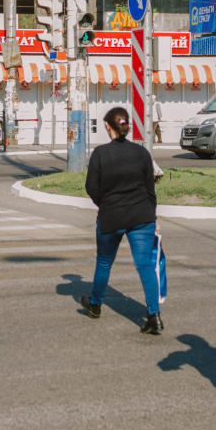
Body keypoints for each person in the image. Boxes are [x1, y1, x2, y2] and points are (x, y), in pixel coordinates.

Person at [82, 107, 162, 335]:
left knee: (104, 262)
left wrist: (105, 204)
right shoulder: (142, 153)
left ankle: (95, 305)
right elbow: (150, 189)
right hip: (142, 216)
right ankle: (154, 317)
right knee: (145, 265)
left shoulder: (99, 154)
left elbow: (91, 188)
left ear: (108, 126)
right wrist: (152, 216)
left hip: (112, 217)